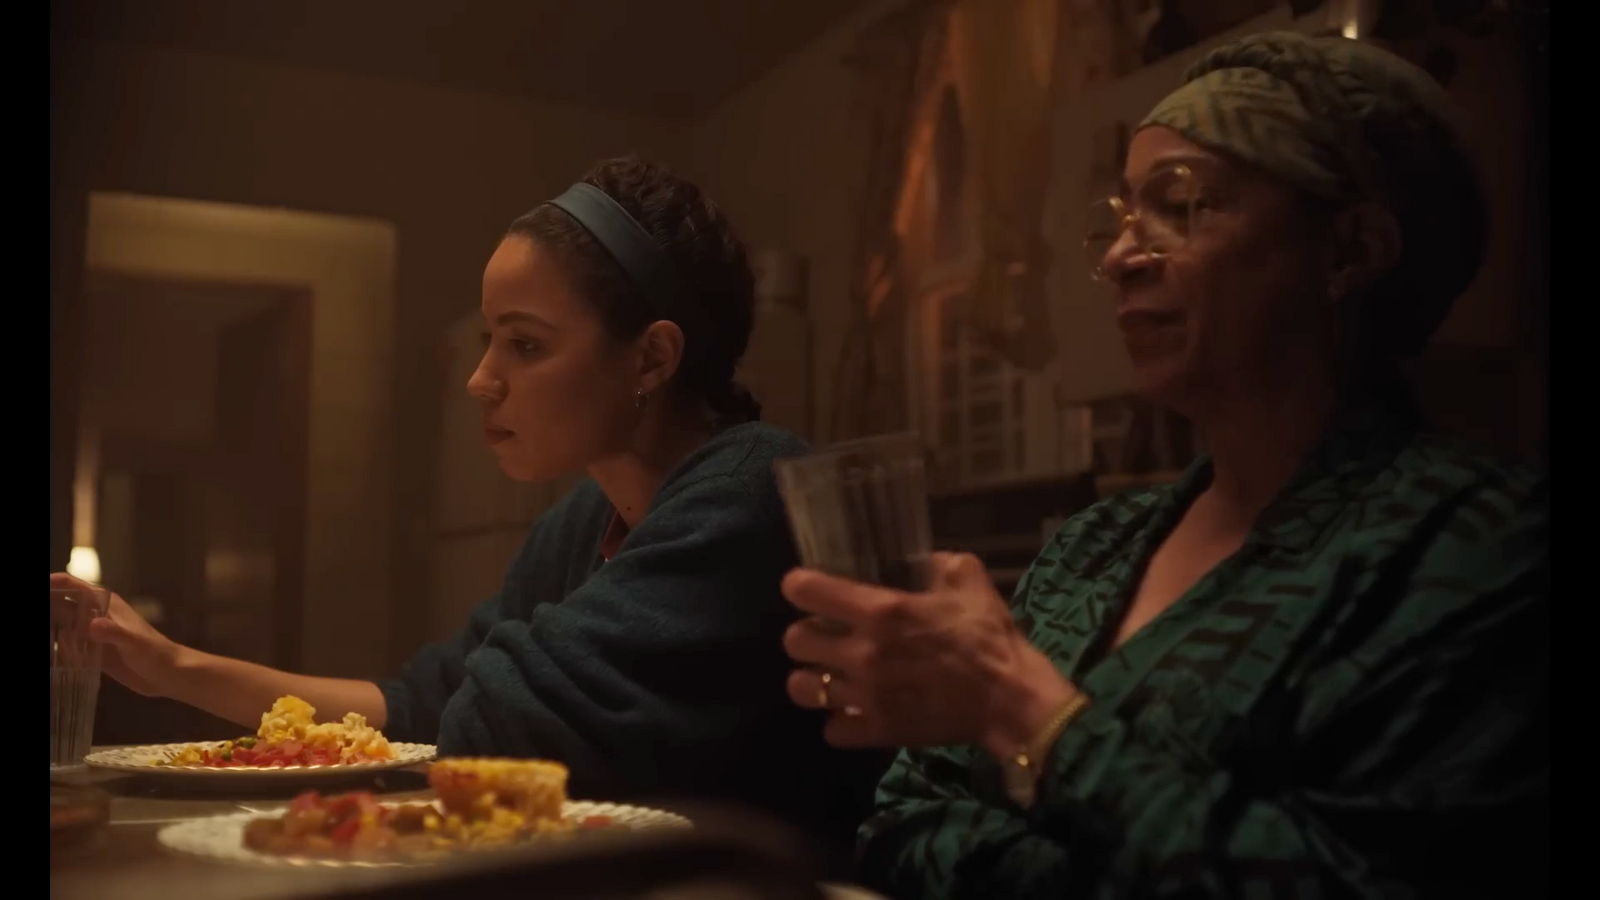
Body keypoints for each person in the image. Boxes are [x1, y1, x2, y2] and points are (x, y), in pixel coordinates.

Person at [778, 32, 1547, 898]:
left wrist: (1022, 710)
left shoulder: (1477, 547)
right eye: (1119, 217)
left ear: (1349, 252)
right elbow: (901, 822)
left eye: (1182, 206)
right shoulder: (1089, 550)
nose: (1118, 258)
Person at [52, 155, 886, 859]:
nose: (480, 379)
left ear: (652, 357)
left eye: (524, 344)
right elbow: (424, 705)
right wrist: (175, 669)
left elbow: (496, 725)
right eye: (490, 340)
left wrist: (466, 706)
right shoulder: (579, 522)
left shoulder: (751, 489)